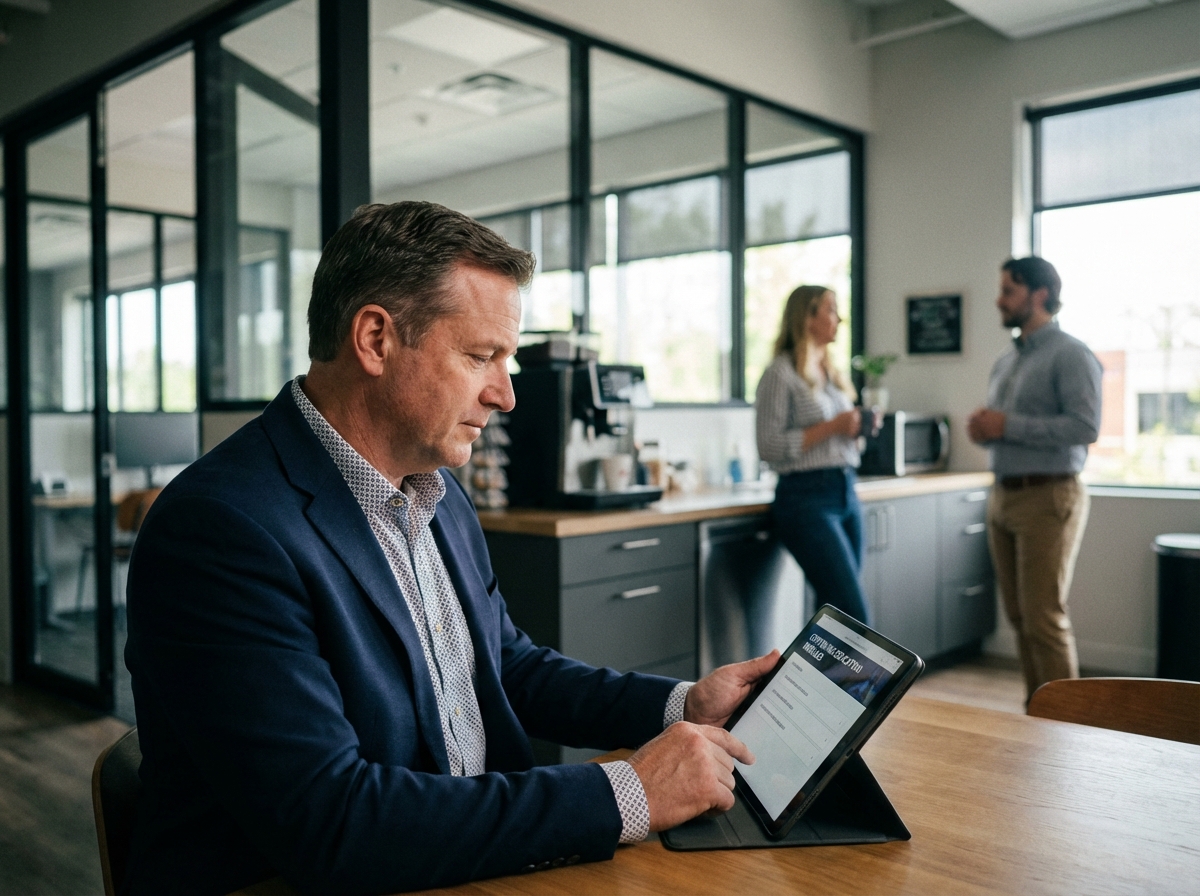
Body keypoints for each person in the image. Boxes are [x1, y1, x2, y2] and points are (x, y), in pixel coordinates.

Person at [123, 202, 777, 896]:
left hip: (453, 861)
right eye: (480, 356)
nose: (506, 394)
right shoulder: (222, 530)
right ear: (375, 340)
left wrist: (684, 707)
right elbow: (332, 822)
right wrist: (628, 792)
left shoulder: (433, 487)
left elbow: (505, 667)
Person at [967, 257, 1101, 705]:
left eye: (1008, 290)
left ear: (1039, 294)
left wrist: (1007, 426)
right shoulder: (1006, 361)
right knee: (1020, 616)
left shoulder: (1071, 353)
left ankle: (1072, 722)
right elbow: (1007, 427)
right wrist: (985, 431)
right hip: (1003, 495)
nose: (999, 299)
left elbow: (1085, 427)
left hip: (1049, 496)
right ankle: (1039, 713)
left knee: (1044, 619)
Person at [755, 285, 872, 623]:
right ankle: (861, 678)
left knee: (834, 613)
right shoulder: (780, 373)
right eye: (831, 310)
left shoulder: (832, 376)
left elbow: (838, 440)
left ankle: (814, 678)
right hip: (806, 499)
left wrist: (858, 428)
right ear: (807, 318)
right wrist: (835, 426)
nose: (840, 318)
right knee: (851, 613)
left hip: (845, 490)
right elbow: (769, 446)